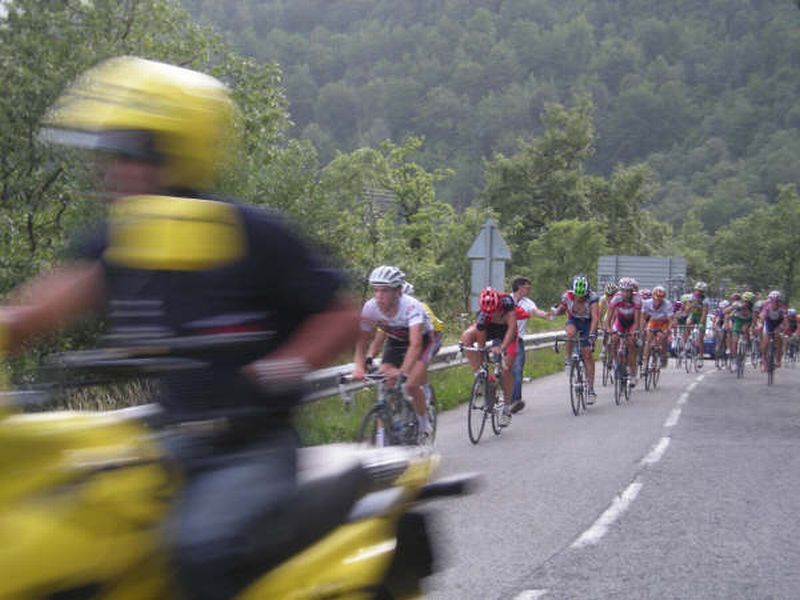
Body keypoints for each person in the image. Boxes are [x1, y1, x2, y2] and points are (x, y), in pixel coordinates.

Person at [0, 57, 360, 600]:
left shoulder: (251, 234)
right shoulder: (118, 240)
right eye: (110, 154)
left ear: (174, 152)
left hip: (249, 448)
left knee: (198, 549)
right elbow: (36, 312)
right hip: (165, 442)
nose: (111, 170)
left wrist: (274, 371)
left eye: (127, 152)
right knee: (74, 526)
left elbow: (343, 314)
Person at [352, 266, 439, 444]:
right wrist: (360, 366)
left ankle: (424, 425)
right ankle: (386, 427)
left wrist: (403, 372)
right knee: (385, 380)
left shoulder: (411, 306)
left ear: (398, 291)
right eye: (376, 290)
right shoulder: (370, 307)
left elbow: (415, 344)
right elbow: (361, 342)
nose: (379, 296)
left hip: (423, 340)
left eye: (384, 290)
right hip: (396, 340)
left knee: (411, 384)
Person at [460, 286, 518, 420]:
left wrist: (502, 347)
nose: (493, 314)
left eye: (495, 311)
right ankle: (484, 377)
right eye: (489, 312)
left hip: (506, 331)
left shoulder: (507, 302)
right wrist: (482, 358)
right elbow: (481, 344)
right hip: (489, 329)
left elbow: (512, 328)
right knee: (466, 337)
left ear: (499, 305)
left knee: (506, 369)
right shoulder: (482, 316)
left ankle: (506, 407)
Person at [550, 275, 599, 402]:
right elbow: (562, 309)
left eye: (582, 296)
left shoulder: (592, 298)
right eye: (577, 295)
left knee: (587, 354)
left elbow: (595, 318)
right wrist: (555, 312)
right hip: (574, 320)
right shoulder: (567, 296)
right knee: (570, 334)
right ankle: (568, 360)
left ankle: (591, 389)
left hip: (588, 323)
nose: (579, 298)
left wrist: (592, 334)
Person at [509, 276, 550, 414]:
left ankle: (515, 401)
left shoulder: (528, 303)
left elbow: (536, 311)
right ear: (520, 288)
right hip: (501, 338)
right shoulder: (506, 300)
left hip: (517, 340)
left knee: (517, 370)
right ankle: (491, 396)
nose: (529, 290)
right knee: (499, 369)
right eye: (527, 287)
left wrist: (548, 314)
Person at [606, 277, 642, 387]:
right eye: (623, 291)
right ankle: (615, 363)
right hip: (620, 322)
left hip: (631, 323)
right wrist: (609, 329)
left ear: (632, 291)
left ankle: (633, 374)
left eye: (628, 291)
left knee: (631, 343)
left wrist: (634, 331)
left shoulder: (637, 299)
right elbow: (608, 318)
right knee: (614, 339)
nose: (626, 294)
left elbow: (637, 321)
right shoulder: (616, 298)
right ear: (620, 291)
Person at [642, 285, 674, 371]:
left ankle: (662, 355)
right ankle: (645, 362)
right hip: (653, 321)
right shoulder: (647, 303)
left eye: (661, 298)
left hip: (664, 322)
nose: (658, 300)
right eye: (657, 298)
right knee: (648, 341)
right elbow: (643, 318)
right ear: (653, 296)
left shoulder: (667, 304)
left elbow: (671, 320)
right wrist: (642, 327)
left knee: (662, 337)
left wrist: (668, 330)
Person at [683, 281, 711, 365]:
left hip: (701, 316)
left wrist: (701, 323)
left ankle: (700, 356)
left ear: (703, 292)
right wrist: (691, 305)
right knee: (688, 324)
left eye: (701, 291)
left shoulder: (705, 300)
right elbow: (687, 310)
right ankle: (685, 346)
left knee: (700, 338)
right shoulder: (691, 297)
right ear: (695, 290)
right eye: (697, 290)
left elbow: (705, 313)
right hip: (693, 314)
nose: (698, 292)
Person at [759, 290, 788, 369]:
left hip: (778, 323)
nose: (774, 303)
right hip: (769, 322)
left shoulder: (783, 308)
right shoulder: (766, 306)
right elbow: (762, 316)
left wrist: (784, 327)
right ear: (770, 300)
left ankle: (778, 359)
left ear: (779, 301)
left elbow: (785, 320)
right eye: (772, 301)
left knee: (778, 339)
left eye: (777, 301)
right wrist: (760, 324)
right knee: (765, 342)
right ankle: (764, 360)